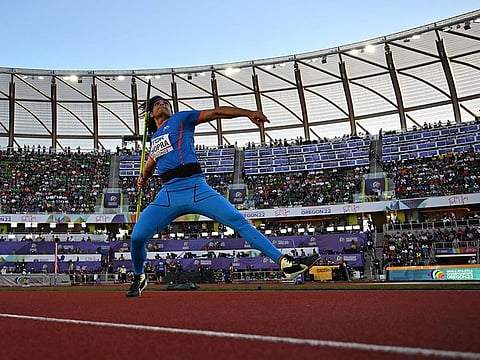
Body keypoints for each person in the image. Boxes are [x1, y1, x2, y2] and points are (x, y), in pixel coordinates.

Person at [126, 95, 319, 297]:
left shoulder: (181, 119)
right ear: (150, 114)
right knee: (138, 237)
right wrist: (143, 179)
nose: (162, 104)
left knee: (237, 220)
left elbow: (216, 112)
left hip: (196, 188)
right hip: (168, 194)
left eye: (166, 103)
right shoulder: (155, 139)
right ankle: (139, 276)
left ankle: (285, 263)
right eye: (157, 104)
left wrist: (248, 114)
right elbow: (149, 166)